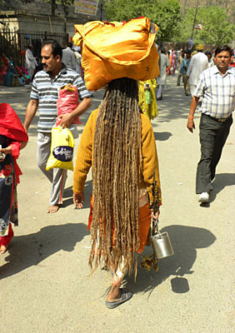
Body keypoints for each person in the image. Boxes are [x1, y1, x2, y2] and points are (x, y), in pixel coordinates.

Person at [73, 77, 161, 309]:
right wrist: (156, 200)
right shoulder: (142, 122)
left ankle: (112, 267)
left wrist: (78, 187)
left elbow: (84, 156)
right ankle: (114, 290)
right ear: (134, 95)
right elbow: (150, 166)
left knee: (109, 231)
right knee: (128, 238)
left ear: (109, 93)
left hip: (104, 193)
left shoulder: (96, 118)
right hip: (134, 196)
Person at [23, 40, 92, 213]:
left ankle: (55, 200)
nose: (43, 61)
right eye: (42, 58)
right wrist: (24, 128)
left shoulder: (73, 77)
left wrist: (71, 116)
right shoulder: (38, 76)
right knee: (41, 162)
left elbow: (87, 100)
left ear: (58, 57)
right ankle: (59, 182)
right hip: (43, 128)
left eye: (47, 58)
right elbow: (33, 103)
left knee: (59, 165)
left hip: (63, 130)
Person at [0, 74, 28, 288]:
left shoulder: (5, 112)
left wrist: (8, 149)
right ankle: (7, 235)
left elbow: (19, 141)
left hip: (0, 174)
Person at [187, 45, 235, 203]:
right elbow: (196, 97)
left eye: (226, 56)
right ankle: (204, 189)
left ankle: (208, 177)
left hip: (226, 121)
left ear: (230, 58)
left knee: (216, 152)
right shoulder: (206, 75)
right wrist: (190, 117)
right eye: (220, 56)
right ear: (214, 58)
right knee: (206, 154)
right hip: (208, 120)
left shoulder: (234, 75)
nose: (223, 59)